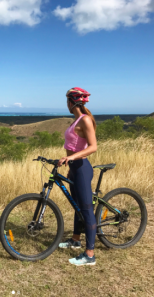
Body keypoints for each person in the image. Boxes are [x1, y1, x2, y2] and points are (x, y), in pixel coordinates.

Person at [58, 87, 97, 266]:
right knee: (77, 206)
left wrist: (71, 157)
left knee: (87, 209)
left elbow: (92, 146)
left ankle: (89, 255)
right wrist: (70, 165)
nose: (66, 104)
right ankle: (75, 239)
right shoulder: (76, 121)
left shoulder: (86, 120)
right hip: (74, 168)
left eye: (67, 101)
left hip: (82, 168)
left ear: (72, 102)